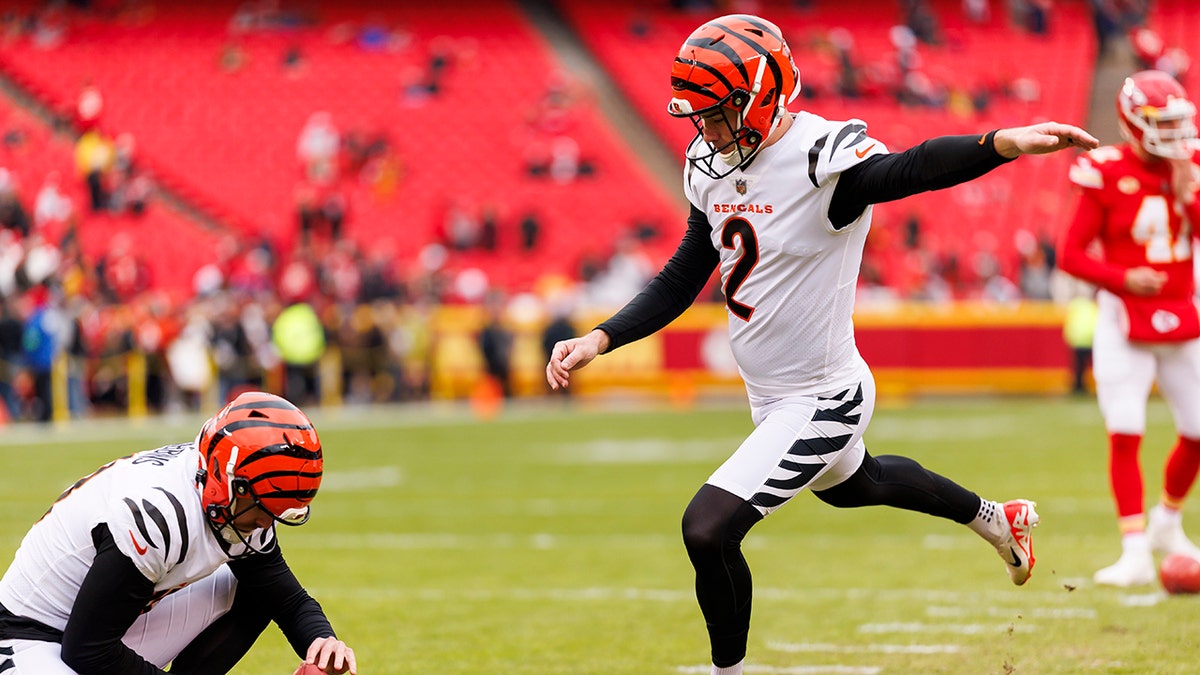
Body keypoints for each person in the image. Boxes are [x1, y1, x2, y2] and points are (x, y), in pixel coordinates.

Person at [544, 14, 1098, 675]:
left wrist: (999, 142)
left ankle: (731, 670)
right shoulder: (712, 168)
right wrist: (602, 337)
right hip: (772, 394)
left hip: (822, 395)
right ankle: (996, 519)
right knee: (856, 483)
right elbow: (685, 273)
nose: (708, 132)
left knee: (707, 526)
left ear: (764, 94)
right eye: (700, 116)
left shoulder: (820, 160)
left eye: (718, 114)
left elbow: (911, 167)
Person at [0, 391, 357, 674]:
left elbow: (285, 598)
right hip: (29, 635)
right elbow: (88, 651)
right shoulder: (159, 515)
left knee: (252, 591)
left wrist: (323, 641)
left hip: (104, 626)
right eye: (263, 507)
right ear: (228, 482)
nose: (266, 522)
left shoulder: (229, 493)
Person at [1057, 69, 1200, 587]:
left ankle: (1167, 520)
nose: (1174, 135)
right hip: (1123, 316)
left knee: (1197, 429)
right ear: (1132, 123)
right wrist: (1122, 277)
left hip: (1182, 311)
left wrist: (1189, 195)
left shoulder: (1192, 166)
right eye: (1161, 123)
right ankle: (1134, 547)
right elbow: (1070, 254)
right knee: (1126, 430)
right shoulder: (1106, 170)